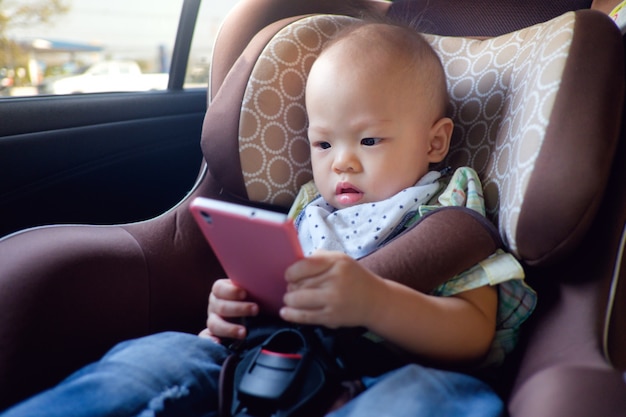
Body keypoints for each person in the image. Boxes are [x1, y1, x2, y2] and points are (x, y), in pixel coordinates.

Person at [0, 22, 535, 417]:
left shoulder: (447, 209)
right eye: (323, 143)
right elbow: (267, 294)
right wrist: (230, 310)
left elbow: (474, 332)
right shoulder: (310, 208)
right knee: (154, 358)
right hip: (265, 358)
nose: (341, 161)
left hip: (391, 372)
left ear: (435, 141)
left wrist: (375, 301)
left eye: (369, 140)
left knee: (434, 399)